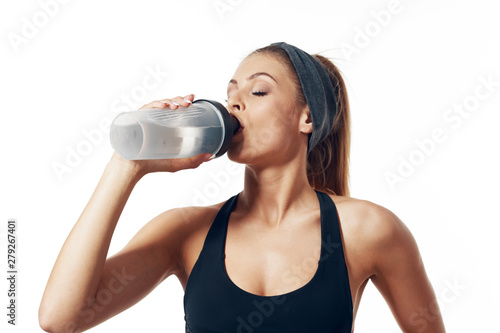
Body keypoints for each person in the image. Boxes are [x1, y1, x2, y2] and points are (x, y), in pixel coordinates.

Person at [39, 42, 446, 332]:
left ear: (307, 118)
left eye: (258, 90)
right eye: (229, 93)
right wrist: (126, 165)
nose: (233, 104)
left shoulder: (367, 229)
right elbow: (60, 318)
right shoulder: (185, 231)